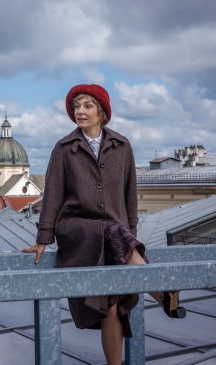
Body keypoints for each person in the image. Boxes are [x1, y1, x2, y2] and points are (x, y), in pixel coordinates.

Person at [23, 84, 186, 365]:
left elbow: (129, 193)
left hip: (114, 234)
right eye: (76, 106)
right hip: (77, 231)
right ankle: (161, 291)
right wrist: (43, 238)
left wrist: (129, 233)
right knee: (111, 232)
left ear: (102, 111)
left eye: (87, 105)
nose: (79, 111)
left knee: (112, 306)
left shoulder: (122, 146)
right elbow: (52, 195)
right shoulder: (64, 148)